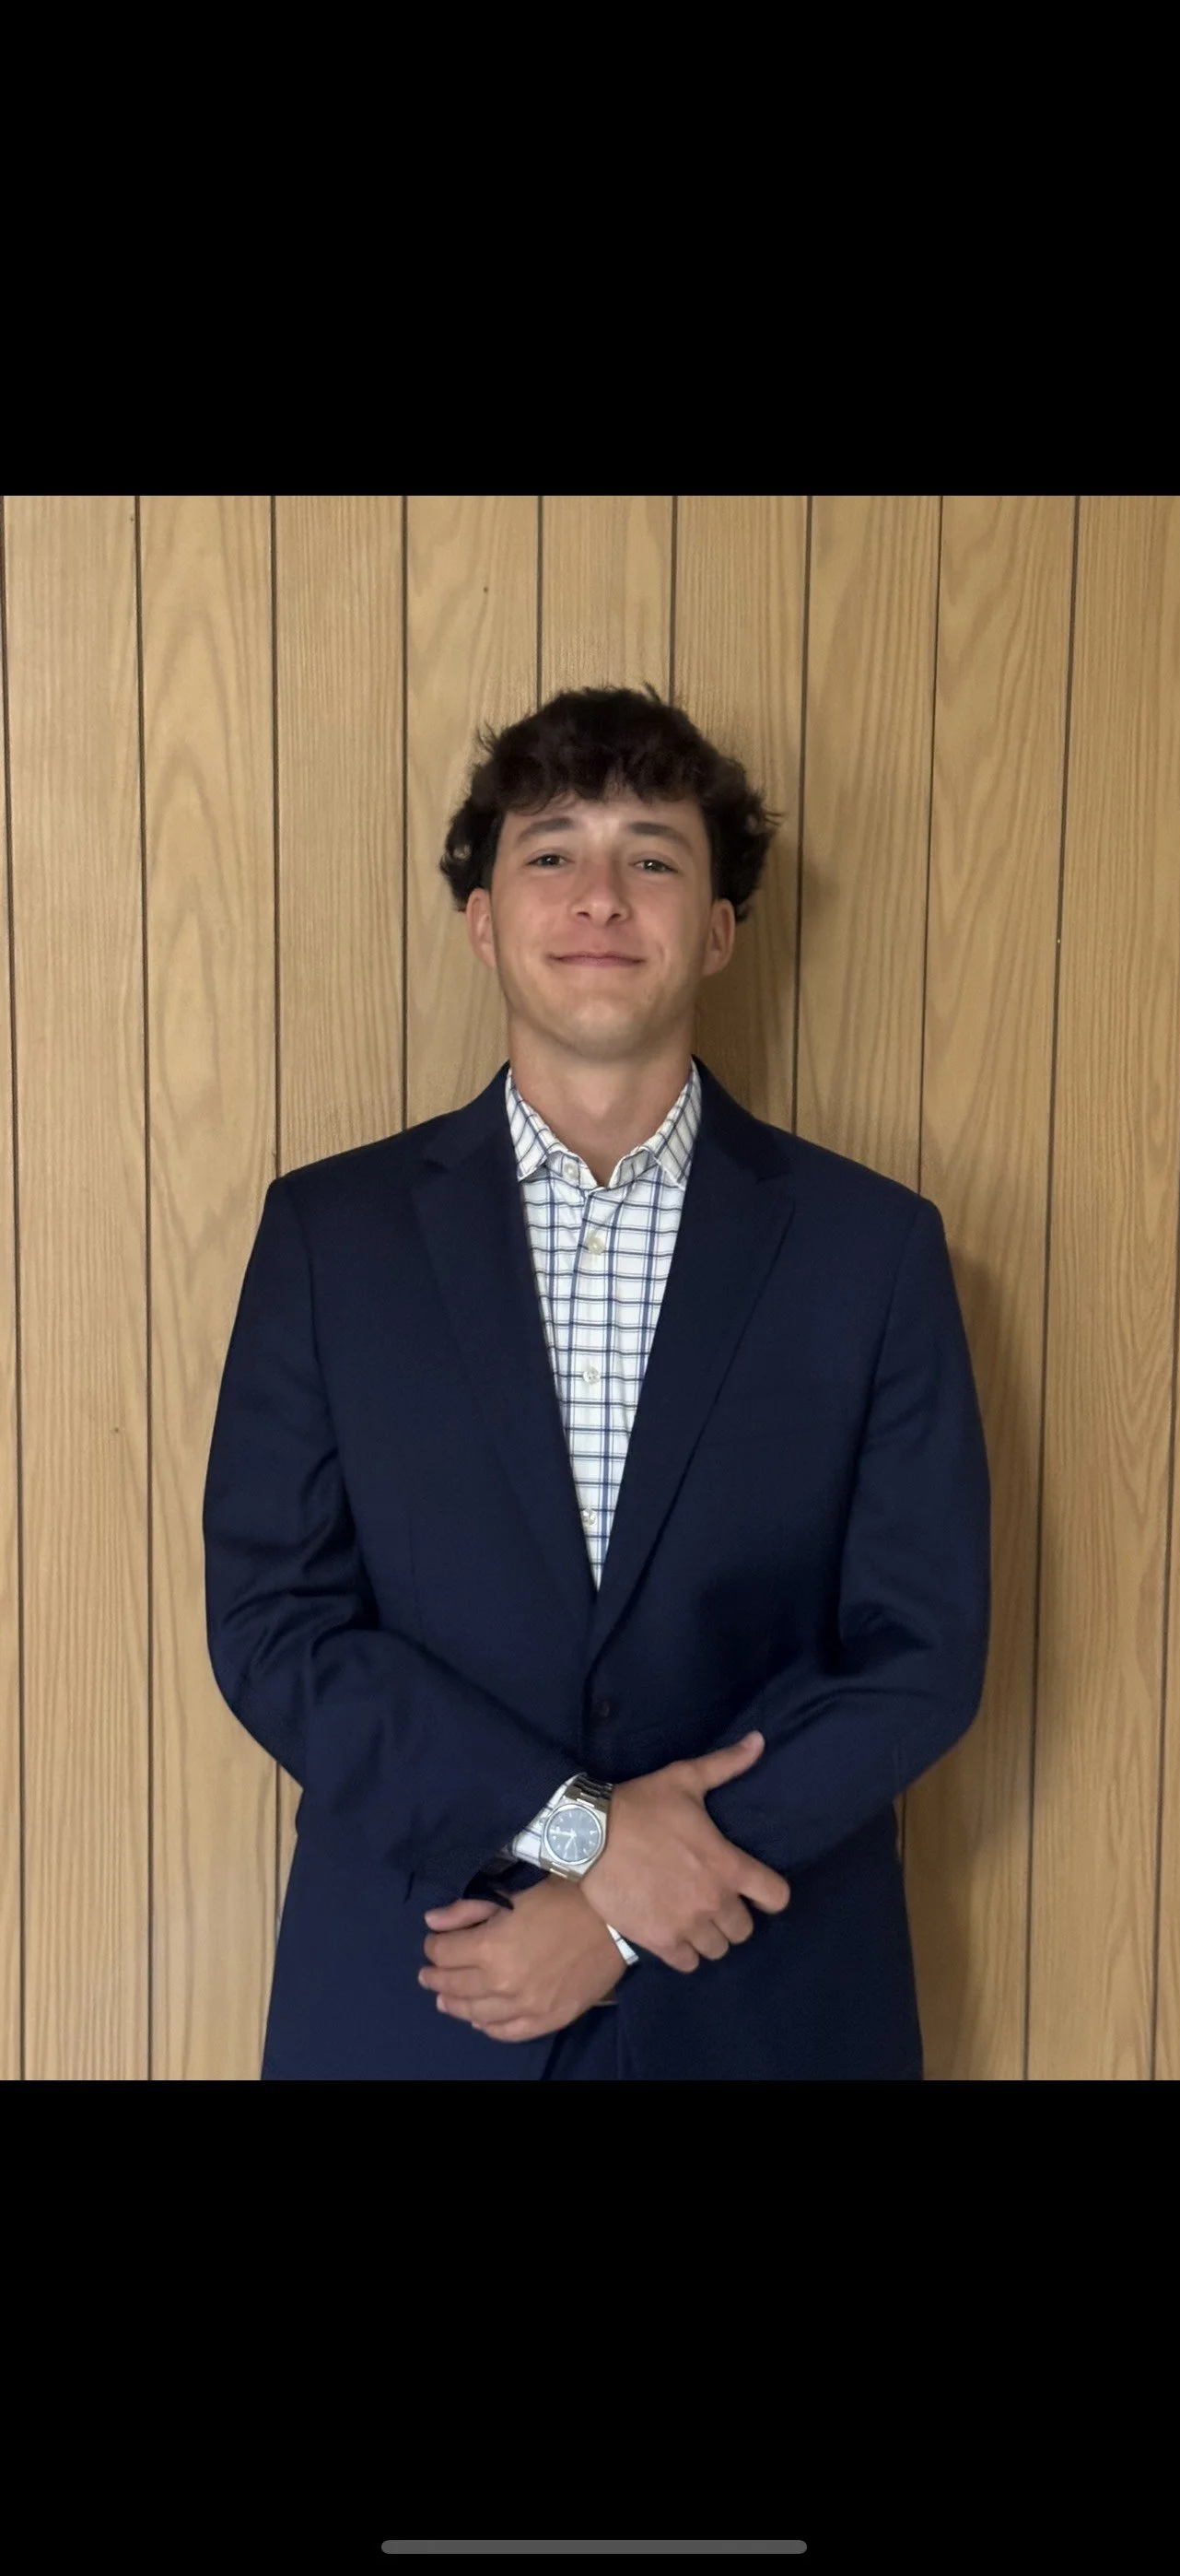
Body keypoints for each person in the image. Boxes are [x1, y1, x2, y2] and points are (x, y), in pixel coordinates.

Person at [203, 684, 991, 2079]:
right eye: (550, 851)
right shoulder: (334, 1236)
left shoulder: (872, 1250)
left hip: (770, 1994)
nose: (600, 894)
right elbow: (276, 1625)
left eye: (653, 856)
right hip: (421, 1991)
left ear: (721, 927)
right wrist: (582, 1833)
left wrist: (619, 1916)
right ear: (481, 919)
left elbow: (917, 1656)